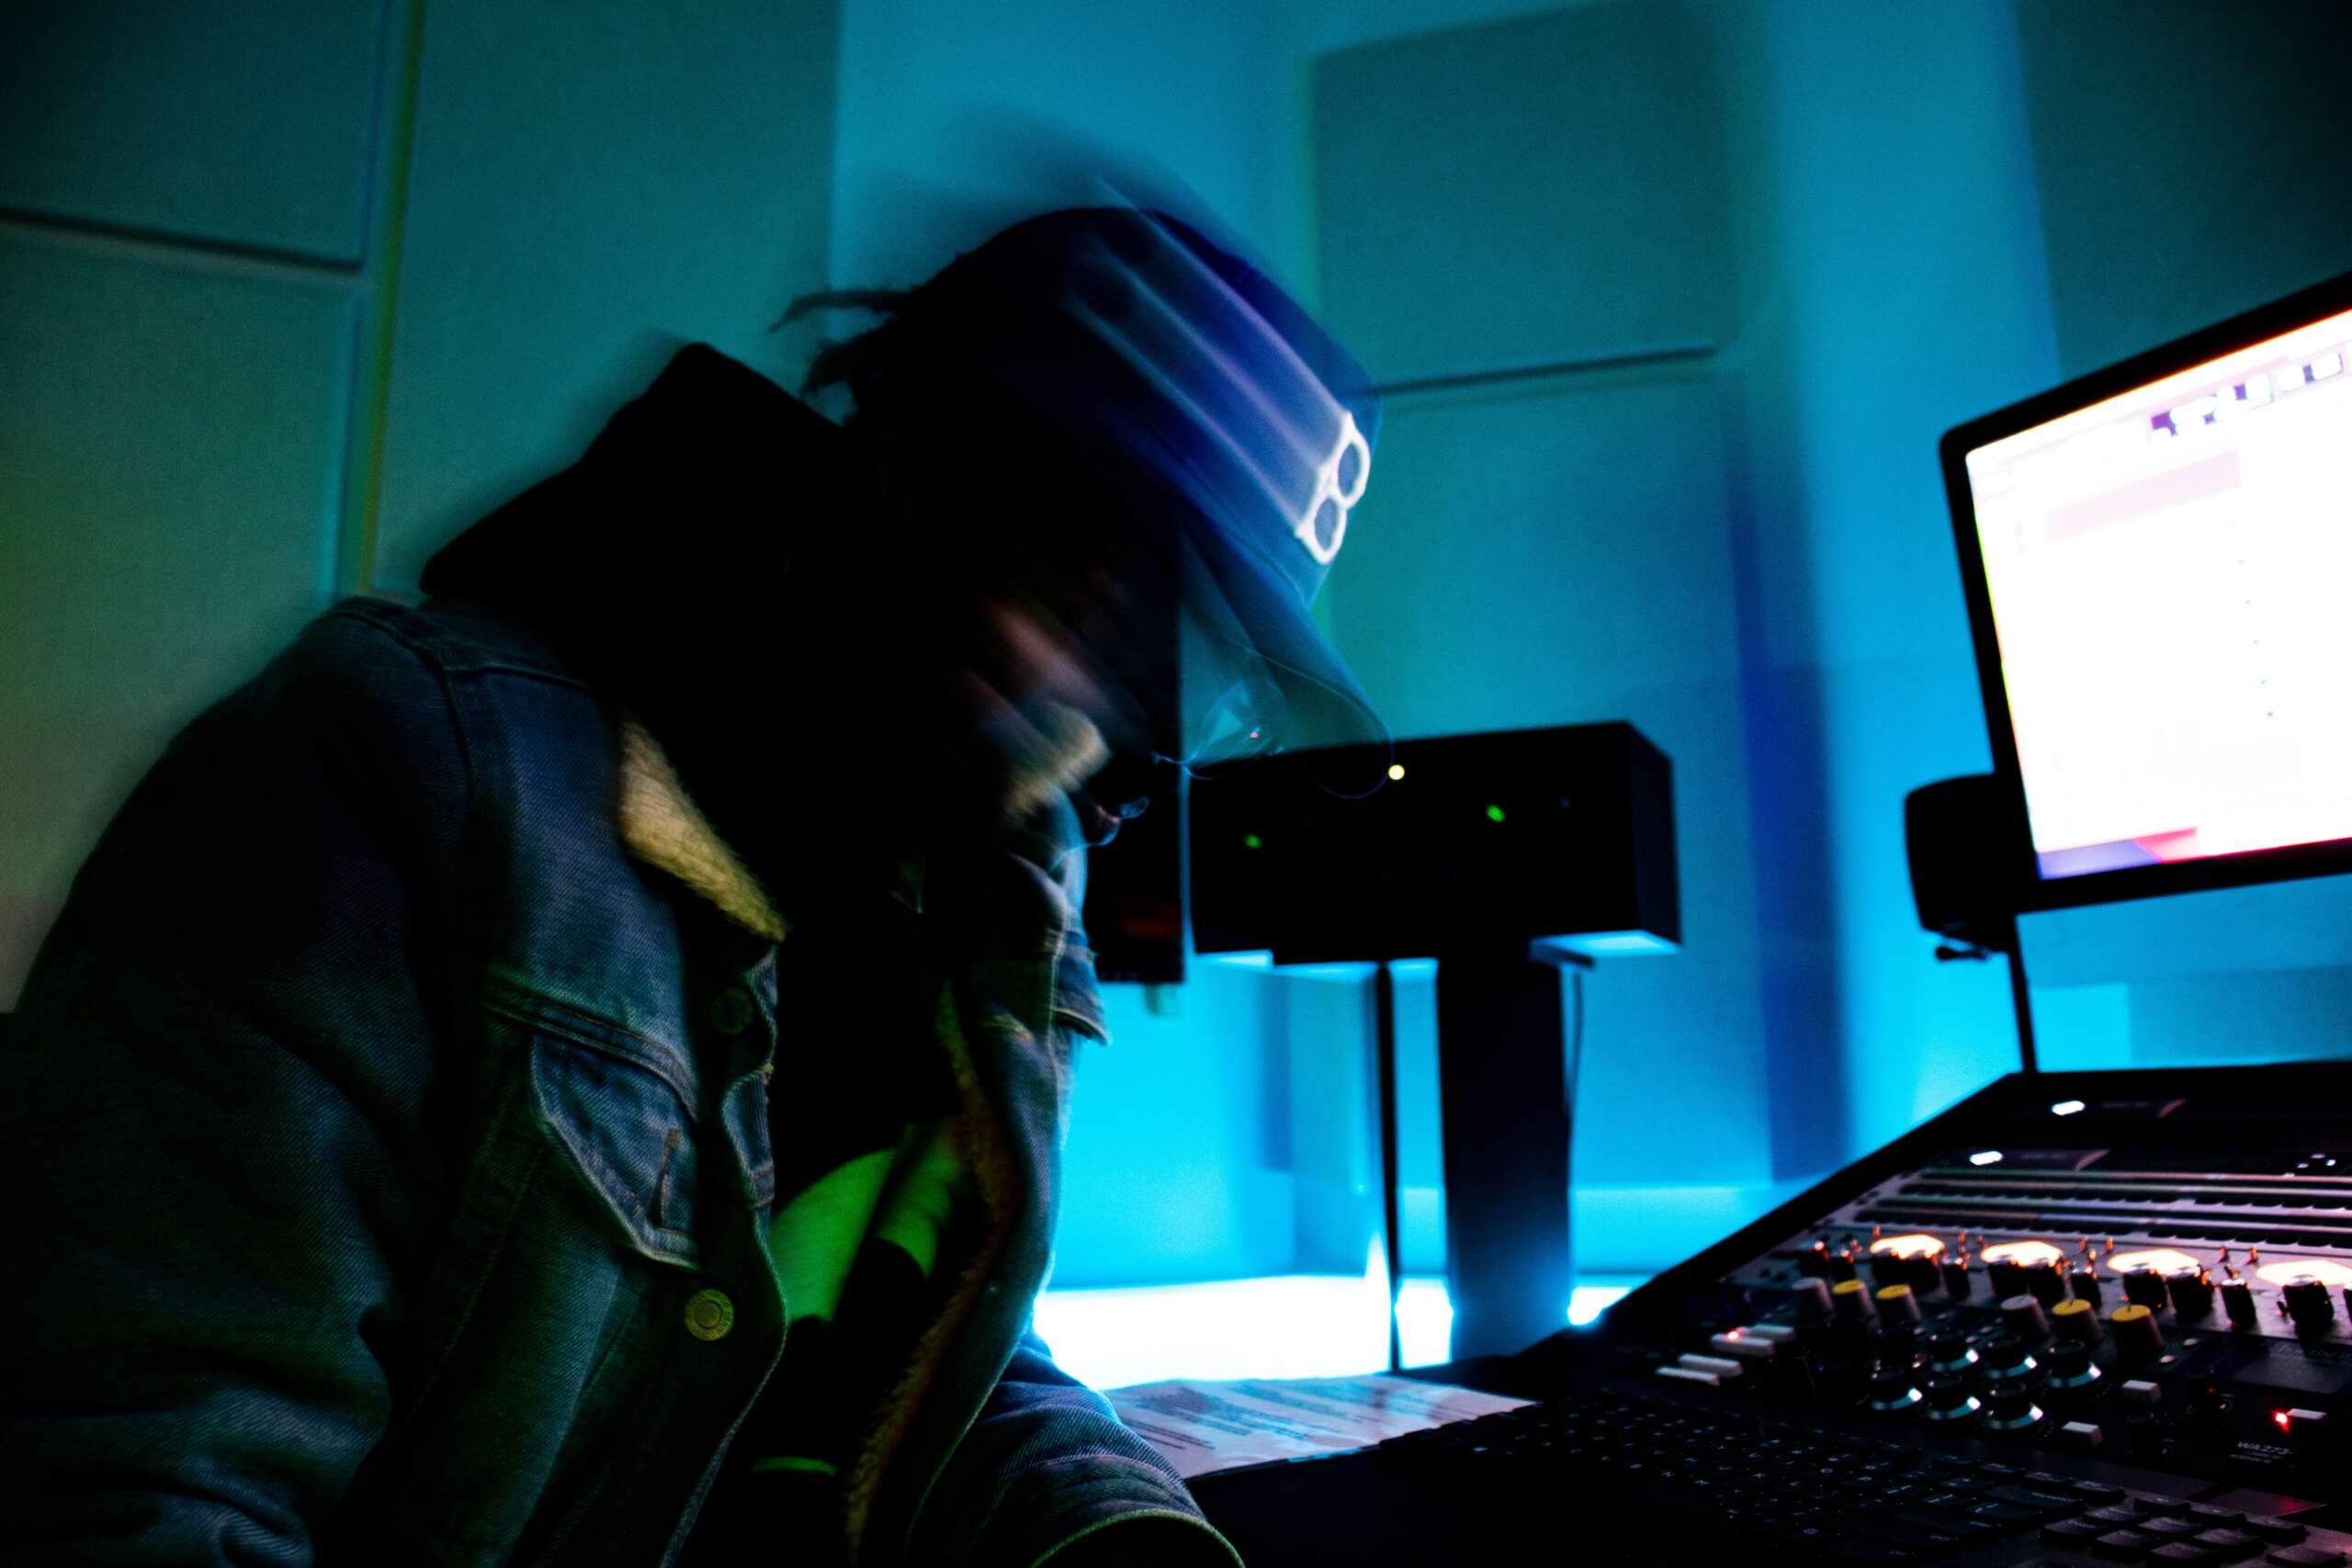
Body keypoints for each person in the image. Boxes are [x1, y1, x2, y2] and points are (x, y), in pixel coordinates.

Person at [0, 204, 1384, 1566]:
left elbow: (891, 1347)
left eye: (1185, 671)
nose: (1101, 717)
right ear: (909, 453)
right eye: (1087, 579)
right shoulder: (396, 764)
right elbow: (138, 1486)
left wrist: (1114, 1538)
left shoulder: (990, 914)